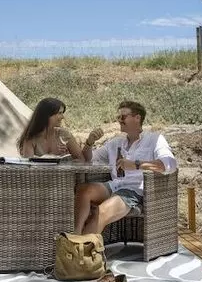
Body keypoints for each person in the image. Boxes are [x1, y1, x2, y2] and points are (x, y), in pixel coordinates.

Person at [74, 100, 177, 235]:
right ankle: (75, 235)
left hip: (134, 191)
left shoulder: (154, 139)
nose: (119, 121)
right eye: (118, 117)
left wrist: (136, 165)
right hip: (115, 185)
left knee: (100, 212)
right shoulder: (116, 143)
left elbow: (170, 164)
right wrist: (89, 142)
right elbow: (89, 159)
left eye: (123, 117)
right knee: (83, 190)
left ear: (137, 118)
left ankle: (82, 250)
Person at [18, 98, 102, 161]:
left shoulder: (64, 135)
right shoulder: (31, 139)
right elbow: (28, 168)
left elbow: (82, 160)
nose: (62, 117)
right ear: (47, 115)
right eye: (59, 113)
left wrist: (67, 158)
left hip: (64, 180)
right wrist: (52, 157)